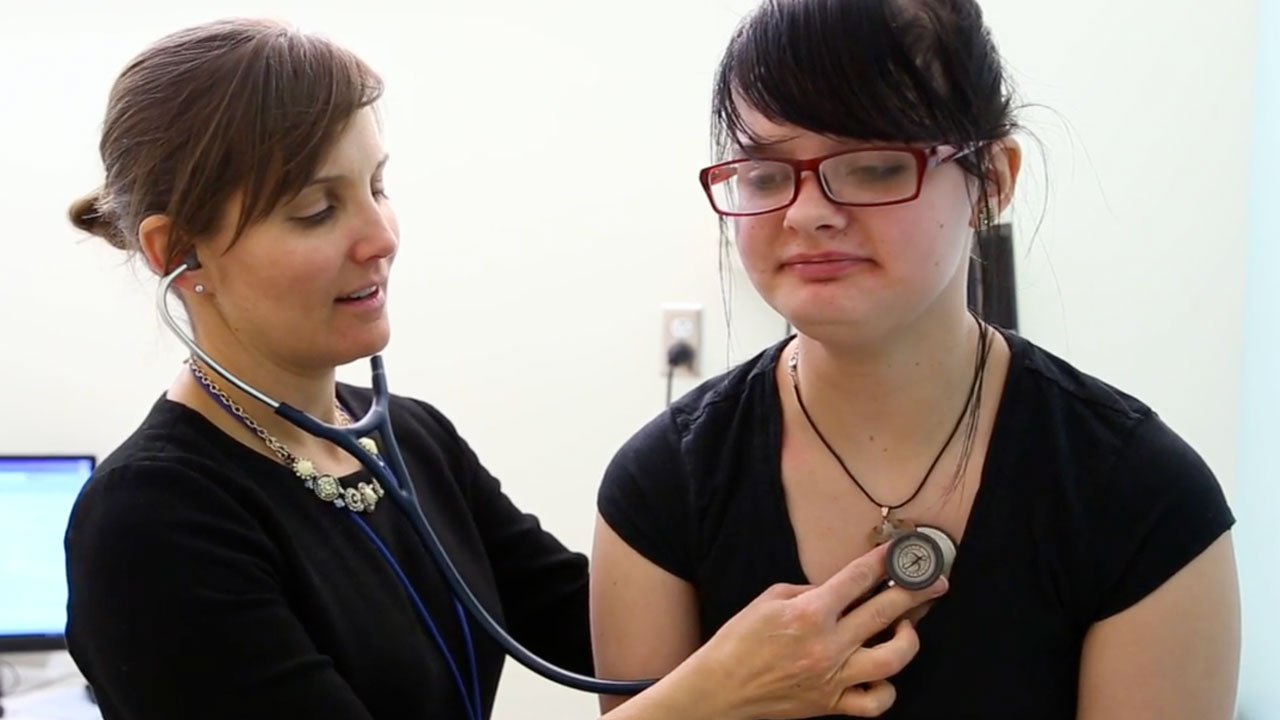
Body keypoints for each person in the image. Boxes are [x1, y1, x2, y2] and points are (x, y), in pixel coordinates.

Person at [62, 17, 945, 720]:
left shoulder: (408, 439)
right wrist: (705, 705)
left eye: (378, 184)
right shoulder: (149, 524)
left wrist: (877, 556)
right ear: (181, 252)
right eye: (313, 210)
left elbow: (594, 625)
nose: (380, 236)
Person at [590, 0, 1242, 718]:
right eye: (766, 175)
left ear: (992, 180)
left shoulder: (1141, 499)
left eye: (871, 165)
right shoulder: (662, 487)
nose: (807, 213)